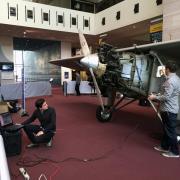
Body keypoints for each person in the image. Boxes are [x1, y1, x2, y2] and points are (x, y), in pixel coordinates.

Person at [148, 62, 180, 158]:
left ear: (168, 69)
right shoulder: (176, 79)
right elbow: (168, 94)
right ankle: (164, 146)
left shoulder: (170, 81)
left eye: (165, 68)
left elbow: (166, 97)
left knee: (170, 131)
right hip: (170, 108)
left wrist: (154, 97)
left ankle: (175, 152)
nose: (164, 70)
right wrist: (157, 95)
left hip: (168, 109)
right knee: (167, 129)